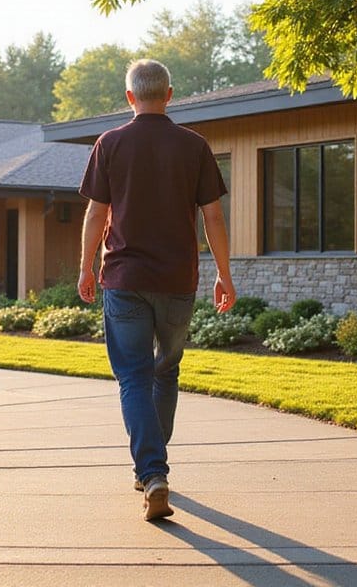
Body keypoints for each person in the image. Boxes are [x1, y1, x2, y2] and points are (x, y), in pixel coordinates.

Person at [78, 58, 235, 521]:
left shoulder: (110, 143)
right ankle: (153, 467)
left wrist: (86, 267)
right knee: (165, 372)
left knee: (133, 377)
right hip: (177, 280)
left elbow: (94, 214)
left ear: (130, 97)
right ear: (169, 95)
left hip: (123, 279)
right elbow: (214, 218)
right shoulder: (194, 146)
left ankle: (152, 472)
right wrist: (224, 274)